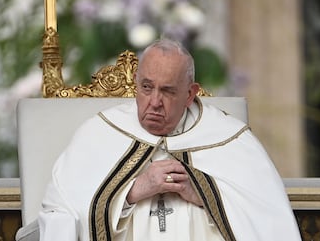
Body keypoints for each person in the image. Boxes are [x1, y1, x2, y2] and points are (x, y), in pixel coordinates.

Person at [38, 38, 302, 241]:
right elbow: (59, 213)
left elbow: (269, 220)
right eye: (146, 87)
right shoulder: (98, 134)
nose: (154, 102)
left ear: (190, 94)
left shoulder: (229, 138)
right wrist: (130, 192)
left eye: (167, 91)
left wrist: (204, 192)